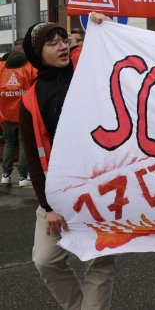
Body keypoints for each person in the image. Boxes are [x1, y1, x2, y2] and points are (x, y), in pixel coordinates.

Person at [19, 17, 116, 309]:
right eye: (53, 43)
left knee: (99, 260)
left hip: (100, 185)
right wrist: (48, 207)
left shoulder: (86, 71)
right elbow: (35, 159)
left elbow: (111, 51)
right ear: (37, 53)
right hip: (58, 191)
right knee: (45, 260)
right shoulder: (29, 99)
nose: (62, 46)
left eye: (64, 40)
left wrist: (102, 25)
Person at [1, 49, 36, 187]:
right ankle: (23, 177)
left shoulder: (2, 70)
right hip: (23, 114)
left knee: (9, 143)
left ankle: (6, 175)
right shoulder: (28, 69)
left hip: (6, 115)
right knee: (23, 145)